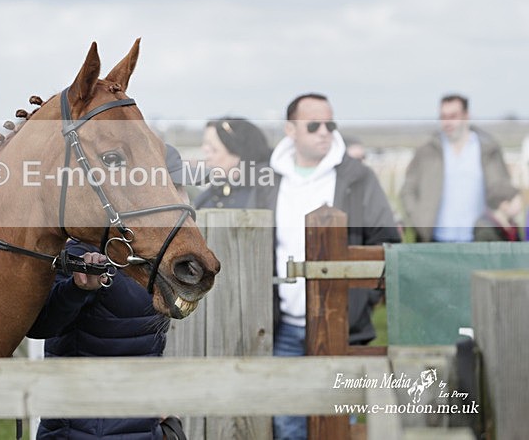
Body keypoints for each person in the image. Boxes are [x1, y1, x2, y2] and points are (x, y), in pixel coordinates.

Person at [255, 93, 401, 440]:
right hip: (284, 329)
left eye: (330, 124)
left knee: (340, 425)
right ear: (290, 129)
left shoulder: (358, 177)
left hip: (340, 328)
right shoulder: (269, 178)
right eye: (314, 125)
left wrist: (357, 303)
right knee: (287, 425)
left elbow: (386, 243)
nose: (325, 132)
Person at [27, 145, 190, 440]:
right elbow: (40, 325)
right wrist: (76, 289)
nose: (182, 203)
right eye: (171, 192)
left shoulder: (156, 261)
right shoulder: (84, 250)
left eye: (182, 191)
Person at [400, 94, 515, 243]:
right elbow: (408, 190)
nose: (447, 122)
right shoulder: (426, 152)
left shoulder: (488, 149)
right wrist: (419, 219)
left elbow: (504, 190)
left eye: (453, 116)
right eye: (443, 116)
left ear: (466, 116)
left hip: (478, 242)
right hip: (435, 242)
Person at [193, 117, 271, 210]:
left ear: (236, 153)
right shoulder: (209, 196)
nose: (207, 156)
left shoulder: (261, 197)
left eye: (214, 149)